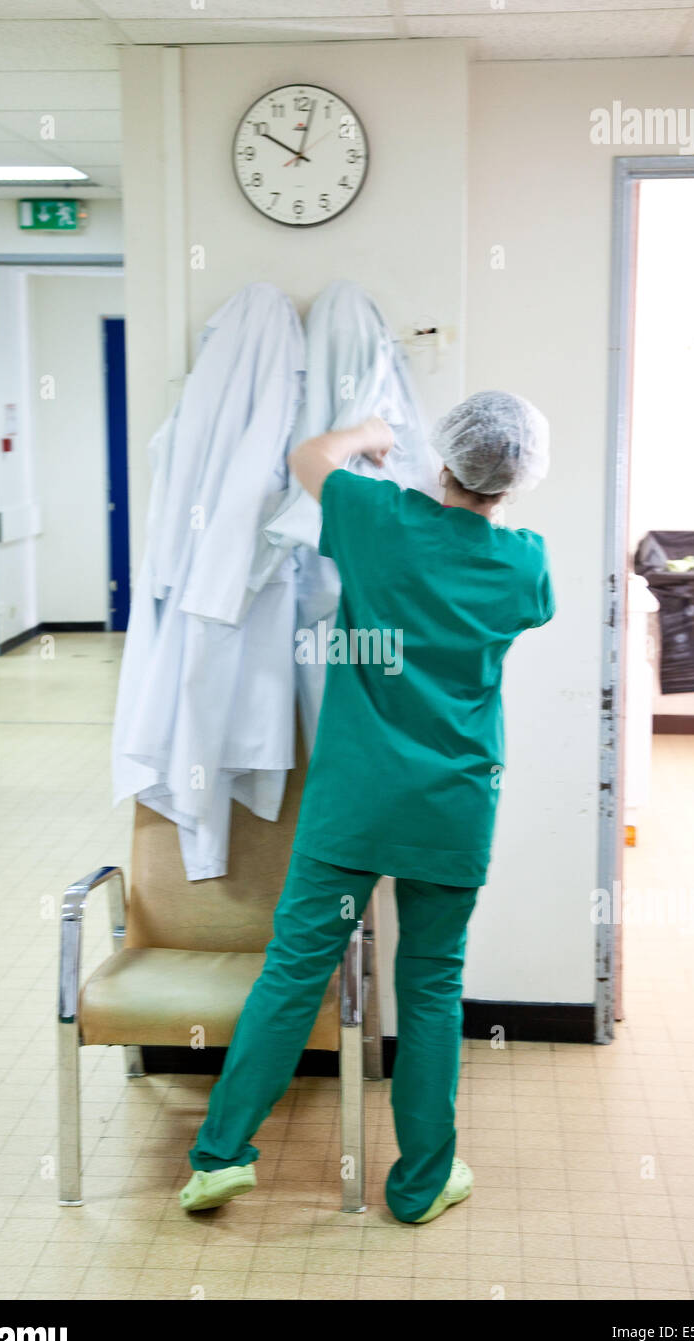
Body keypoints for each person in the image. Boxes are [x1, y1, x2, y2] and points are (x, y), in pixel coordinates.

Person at [179, 390, 555, 1224]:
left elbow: (309, 458)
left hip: (353, 801)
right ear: (518, 479)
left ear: (447, 459)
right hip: (453, 804)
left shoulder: (377, 518)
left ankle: (218, 1160)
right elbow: (522, 599)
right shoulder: (525, 562)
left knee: (294, 972)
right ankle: (422, 1185)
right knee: (429, 986)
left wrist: (367, 435)